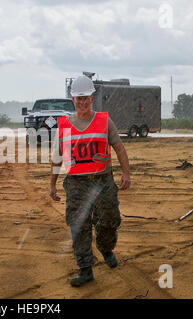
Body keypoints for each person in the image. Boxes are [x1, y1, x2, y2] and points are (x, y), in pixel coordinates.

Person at [49, 75, 131, 287]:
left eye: (86, 98)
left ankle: (105, 248)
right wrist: (52, 184)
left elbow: (119, 147)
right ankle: (85, 269)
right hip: (76, 183)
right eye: (79, 99)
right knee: (79, 226)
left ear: (92, 98)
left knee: (109, 221)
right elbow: (57, 156)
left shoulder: (104, 121)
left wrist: (126, 173)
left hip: (103, 181)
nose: (82, 102)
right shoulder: (65, 125)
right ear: (73, 100)